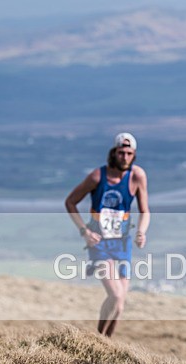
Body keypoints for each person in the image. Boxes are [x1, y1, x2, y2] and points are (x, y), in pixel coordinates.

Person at [65, 132, 150, 337]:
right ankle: (97, 339)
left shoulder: (137, 176)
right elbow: (70, 202)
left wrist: (141, 231)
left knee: (120, 305)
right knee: (115, 294)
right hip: (99, 243)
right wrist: (84, 231)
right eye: (121, 152)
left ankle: (106, 342)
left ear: (134, 154)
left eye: (129, 153)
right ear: (114, 152)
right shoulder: (97, 176)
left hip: (122, 244)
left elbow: (145, 211)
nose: (125, 157)